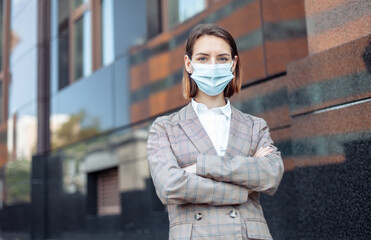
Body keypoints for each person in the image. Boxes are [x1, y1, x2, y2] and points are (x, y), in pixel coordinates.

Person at [147, 24, 284, 240]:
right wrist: (241, 190)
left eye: (222, 58)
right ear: (188, 64)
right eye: (203, 58)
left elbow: (271, 174)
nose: (213, 65)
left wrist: (200, 167)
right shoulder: (165, 127)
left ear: (233, 63)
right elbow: (170, 186)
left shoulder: (255, 126)